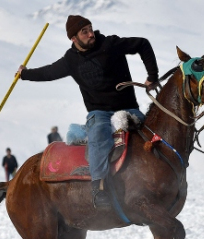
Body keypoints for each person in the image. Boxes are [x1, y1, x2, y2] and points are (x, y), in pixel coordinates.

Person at [17, 15, 159, 208]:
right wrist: (25, 74)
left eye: (91, 29)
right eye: (85, 31)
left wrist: (152, 76)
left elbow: (142, 44)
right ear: (74, 38)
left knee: (151, 133)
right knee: (99, 134)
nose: (91, 34)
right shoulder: (70, 60)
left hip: (127, 107)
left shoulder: (110, 44)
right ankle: (99, 188)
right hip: (99, 112)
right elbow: (48, 72)